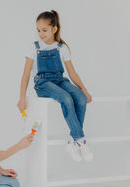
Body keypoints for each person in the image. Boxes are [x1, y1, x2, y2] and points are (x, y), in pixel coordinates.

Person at [17, 10, 93, 162]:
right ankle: (80, 140)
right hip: (43, 83)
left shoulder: (62, 48)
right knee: (66, 98)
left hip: (60, 80)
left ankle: (72, 140)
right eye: (38, 30)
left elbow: (72, 73)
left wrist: (84, 90)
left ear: (54, 29)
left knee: (80, 99)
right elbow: (25, 75)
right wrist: (21, 98)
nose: (41, 33)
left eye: (44, 30)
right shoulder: (34, 47)